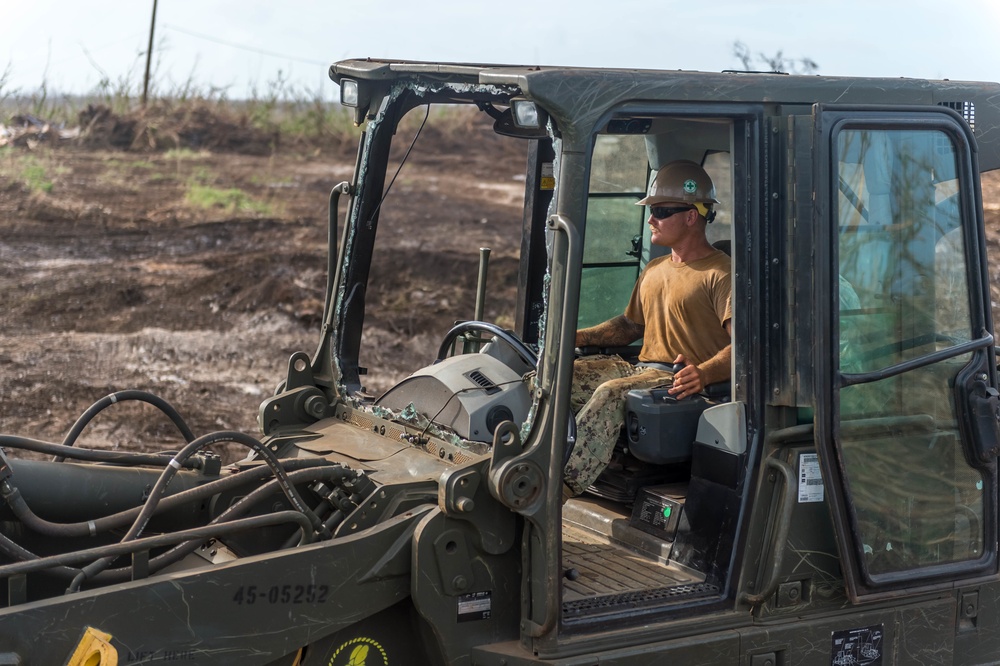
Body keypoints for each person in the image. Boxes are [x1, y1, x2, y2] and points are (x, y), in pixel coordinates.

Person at [564, 160, 732, 498]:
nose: (651, 218)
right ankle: (524, 459)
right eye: (651, 210)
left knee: (610, 393)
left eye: (661, 210)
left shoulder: (721, 274)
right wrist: (577, 337)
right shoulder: (655, 268)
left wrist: (703, 373)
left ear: (691, 216)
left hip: (680, 382)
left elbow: (746, 347)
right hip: (641, 370)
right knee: (553, 376)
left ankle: (555, 489)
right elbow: (628, 327)